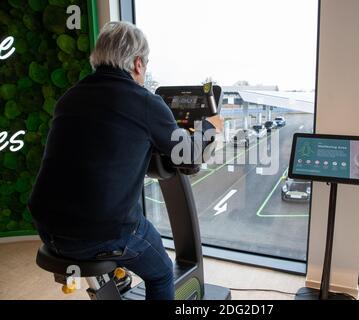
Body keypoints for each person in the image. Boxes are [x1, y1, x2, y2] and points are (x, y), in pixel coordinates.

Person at [28, 21, 223, 300]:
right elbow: (190, 158)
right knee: (162, 272)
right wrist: (210, 127)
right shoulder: (144, 101)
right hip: (100, 233)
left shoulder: (71, 96)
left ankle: (117, 280)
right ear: (138, 63)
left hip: (48, 228)